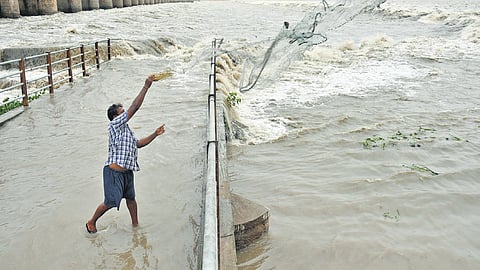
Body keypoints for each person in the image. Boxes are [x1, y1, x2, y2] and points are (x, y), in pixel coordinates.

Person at [86, 74, 165, 234]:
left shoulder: (127, 131)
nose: (125, 114)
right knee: (110, 202)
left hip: (127, 172)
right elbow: (134, 107)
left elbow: (139, 144)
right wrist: (146, 86)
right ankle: (91, 222)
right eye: (122, 113)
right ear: (115, 117)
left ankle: (136, 227)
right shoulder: (114, 126)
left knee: (131, 199)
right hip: (114, 172)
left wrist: (155, 134)